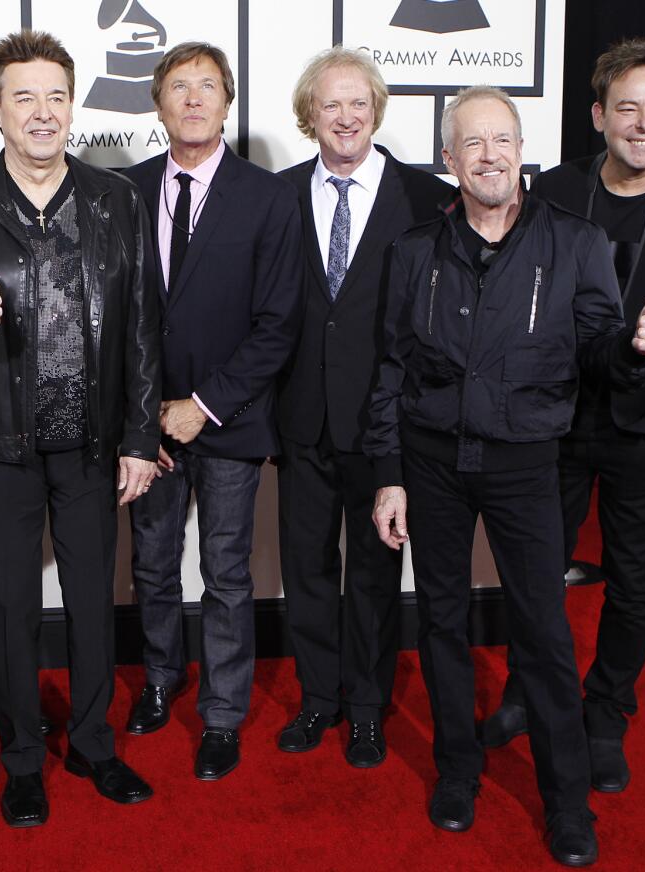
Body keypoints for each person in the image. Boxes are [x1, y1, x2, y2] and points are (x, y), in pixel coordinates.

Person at [365, 85, 645, 866]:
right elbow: (390, 373)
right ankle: (457, 771)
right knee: (440, 622)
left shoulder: (573, 244)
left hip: (526, 466)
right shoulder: (413, 253)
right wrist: (390, 474)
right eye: (473, 143)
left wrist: (638, 347)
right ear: (449, 160)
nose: (490, 155)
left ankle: (567, 802)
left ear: (521, 149)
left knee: (541, 634)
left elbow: (600, 353)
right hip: (432, 465)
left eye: (502, 139)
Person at [480, 39, 645, 797]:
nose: (644, 123)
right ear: (598, 116)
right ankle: (529, 691)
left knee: (632, 584)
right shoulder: (558, 190)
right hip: (556, 424)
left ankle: (605, 713)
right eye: (627, 107)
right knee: (536, 577)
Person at [0, 30, 160, 828]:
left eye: (56, 95)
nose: (43, 112)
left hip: (93, 443)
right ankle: (24, 759)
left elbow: (142, 327)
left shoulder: (116, 198)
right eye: (24, 97)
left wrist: (137, 436)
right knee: (10, 604)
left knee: (94, 600)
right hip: (1, 445)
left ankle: (94, 745)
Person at [122, 41, 302, 781]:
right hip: (147, 429)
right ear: (158, 104)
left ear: (227, 104)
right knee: (153, 565)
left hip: (228, 421)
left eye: (207, 87)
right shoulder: (123, 192)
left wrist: (203, 406)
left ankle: (223, 714)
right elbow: (112, 318)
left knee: (226, 573)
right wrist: (142, 420)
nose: (192, 99)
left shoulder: (267, 196)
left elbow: (278, 323)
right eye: (178, 87)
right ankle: (161, 680)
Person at [274, 47, 453, 765]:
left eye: (357, 103)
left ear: (375, 109)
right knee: (307, 569)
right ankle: (321, 701)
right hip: (302, 419)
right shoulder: (278, 194)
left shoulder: (425, 197)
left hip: (387, 425)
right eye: (330, 105)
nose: (345, 117)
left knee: (375, 575)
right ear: (308, 116)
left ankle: (369, 709)